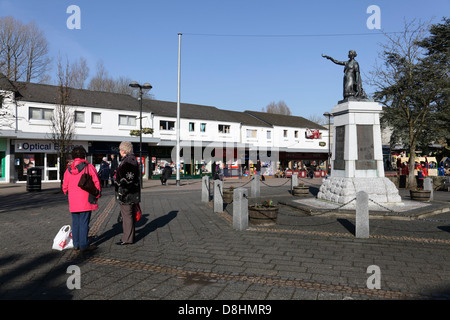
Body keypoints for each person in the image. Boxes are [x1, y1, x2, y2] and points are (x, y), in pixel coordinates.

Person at [62, 146, 101, 253]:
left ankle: (76, 244)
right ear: (84, 155)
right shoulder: (89, 167)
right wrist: (97, 193)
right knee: (84, 222)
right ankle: (84, 245)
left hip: (73, 200)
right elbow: (96, 181)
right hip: (85, 199)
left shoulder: (69, 169)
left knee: (75, 223)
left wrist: (66, 192)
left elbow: (64, 185)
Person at [114, 141, 140, 245]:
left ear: (124, 150)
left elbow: (129, 179)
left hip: (128, 194)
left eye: (120, 149)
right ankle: (128, 237)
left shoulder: (129, 161)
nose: (119, 151)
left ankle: (127, 239)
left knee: (127, 216)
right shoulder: (130, 160)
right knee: (127, 215)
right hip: (130, 193)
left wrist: (122, 191)